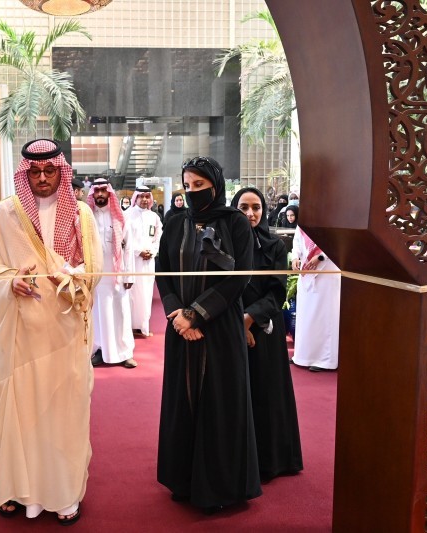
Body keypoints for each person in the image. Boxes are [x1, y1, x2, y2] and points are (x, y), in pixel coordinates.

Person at [0, 139, 102, 525]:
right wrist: (9, 280)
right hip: (19, 334)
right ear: (24, 174)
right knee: (19, 412)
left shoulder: (81, 214)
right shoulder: (4, 214)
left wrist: (73, 279)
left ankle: (63, 493)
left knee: (63, 413)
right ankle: (18, 489)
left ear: (61, 172)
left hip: (63, 332)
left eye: (49, 171)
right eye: (34, 172)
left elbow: (94, 268)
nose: (42, 178)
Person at [156, 156, 261, 512]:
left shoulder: (235, 223)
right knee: (183, 399)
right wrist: (177, 313)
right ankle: (184, 480)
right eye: (187, 185)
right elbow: (162, 268)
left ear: (215, 186)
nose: (192, 192)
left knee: (220, 401)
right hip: (179, 326)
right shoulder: (175, 222)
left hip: (219, 326)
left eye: (199, 185)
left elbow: (240, 276)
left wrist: (196, 315)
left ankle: (219, 487)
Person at [231, 187, 304, 481]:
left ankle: (268, 461)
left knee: (265, 391)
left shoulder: (274, 246)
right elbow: (219, 287)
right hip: (230, 327)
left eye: (256, 207)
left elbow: (276, 292)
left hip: (264, 330)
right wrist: (237, 322)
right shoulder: (224, 244)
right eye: (244, 207)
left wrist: (249, 320)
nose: (250, 213)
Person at [87, 177, 137, 368]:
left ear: (109, 193)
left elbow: (128, 248)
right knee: (98, 314)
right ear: (92, 194)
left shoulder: (120, 217)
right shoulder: (87, 216)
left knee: (120, 312)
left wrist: (129, 275)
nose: (100, 194)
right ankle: (100, 350)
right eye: (97, 191)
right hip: (96, 276)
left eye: (103, 190)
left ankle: (125, 353)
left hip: (117, 274)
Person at [291, 226, 340, 371]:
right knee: (305, 314)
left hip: (328, 270)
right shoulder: (305, 221)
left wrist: (320, 257)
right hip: (306, 270)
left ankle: (324, 360)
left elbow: (337, 242)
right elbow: (297, 240)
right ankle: (303, 356)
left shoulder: (334, 220)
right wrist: (295, 257)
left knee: (325, 315)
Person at [125, 185, 162, 337]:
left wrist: (152, 252)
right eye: (142, 196)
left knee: (146, 294)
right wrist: (138, 251)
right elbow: (124, 240)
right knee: (131, 294)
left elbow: (158, 238)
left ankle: (143, 326)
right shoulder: (127, 215)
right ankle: (129, 327)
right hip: (132, 261)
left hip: (148, 262)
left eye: (147, 196)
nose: (145, 199)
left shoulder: (154, 217)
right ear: (136, 198)